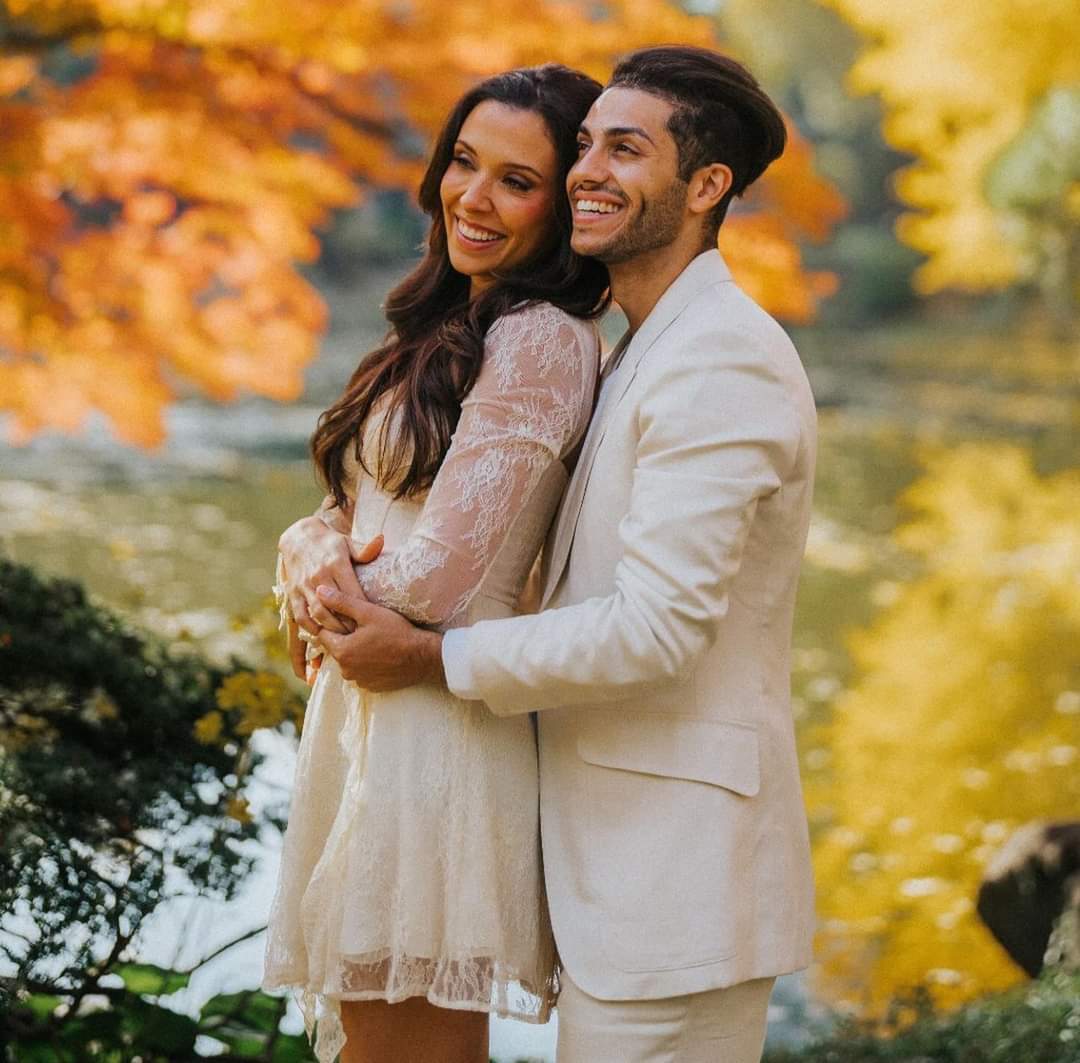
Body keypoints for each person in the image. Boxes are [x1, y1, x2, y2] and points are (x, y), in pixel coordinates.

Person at [303, 45, 818, 1063]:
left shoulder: (722, 357)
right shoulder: (634, 345)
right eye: (584, 146)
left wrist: (431, 656)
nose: (588, 171)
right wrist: (311, 543)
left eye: (626, 150)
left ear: (706, 186)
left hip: (676, 876)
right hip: (598, 854)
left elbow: (658, 629)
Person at [263, 64, 610, 1063]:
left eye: (517, 181)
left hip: (437, 740)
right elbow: (360, 507)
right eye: (465, 161)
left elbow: (435, 581)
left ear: (563, 207)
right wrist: (306, 541)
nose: (474, 196)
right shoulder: (450, 325)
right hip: (374, 719)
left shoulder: (542, 342)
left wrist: (313, 586)